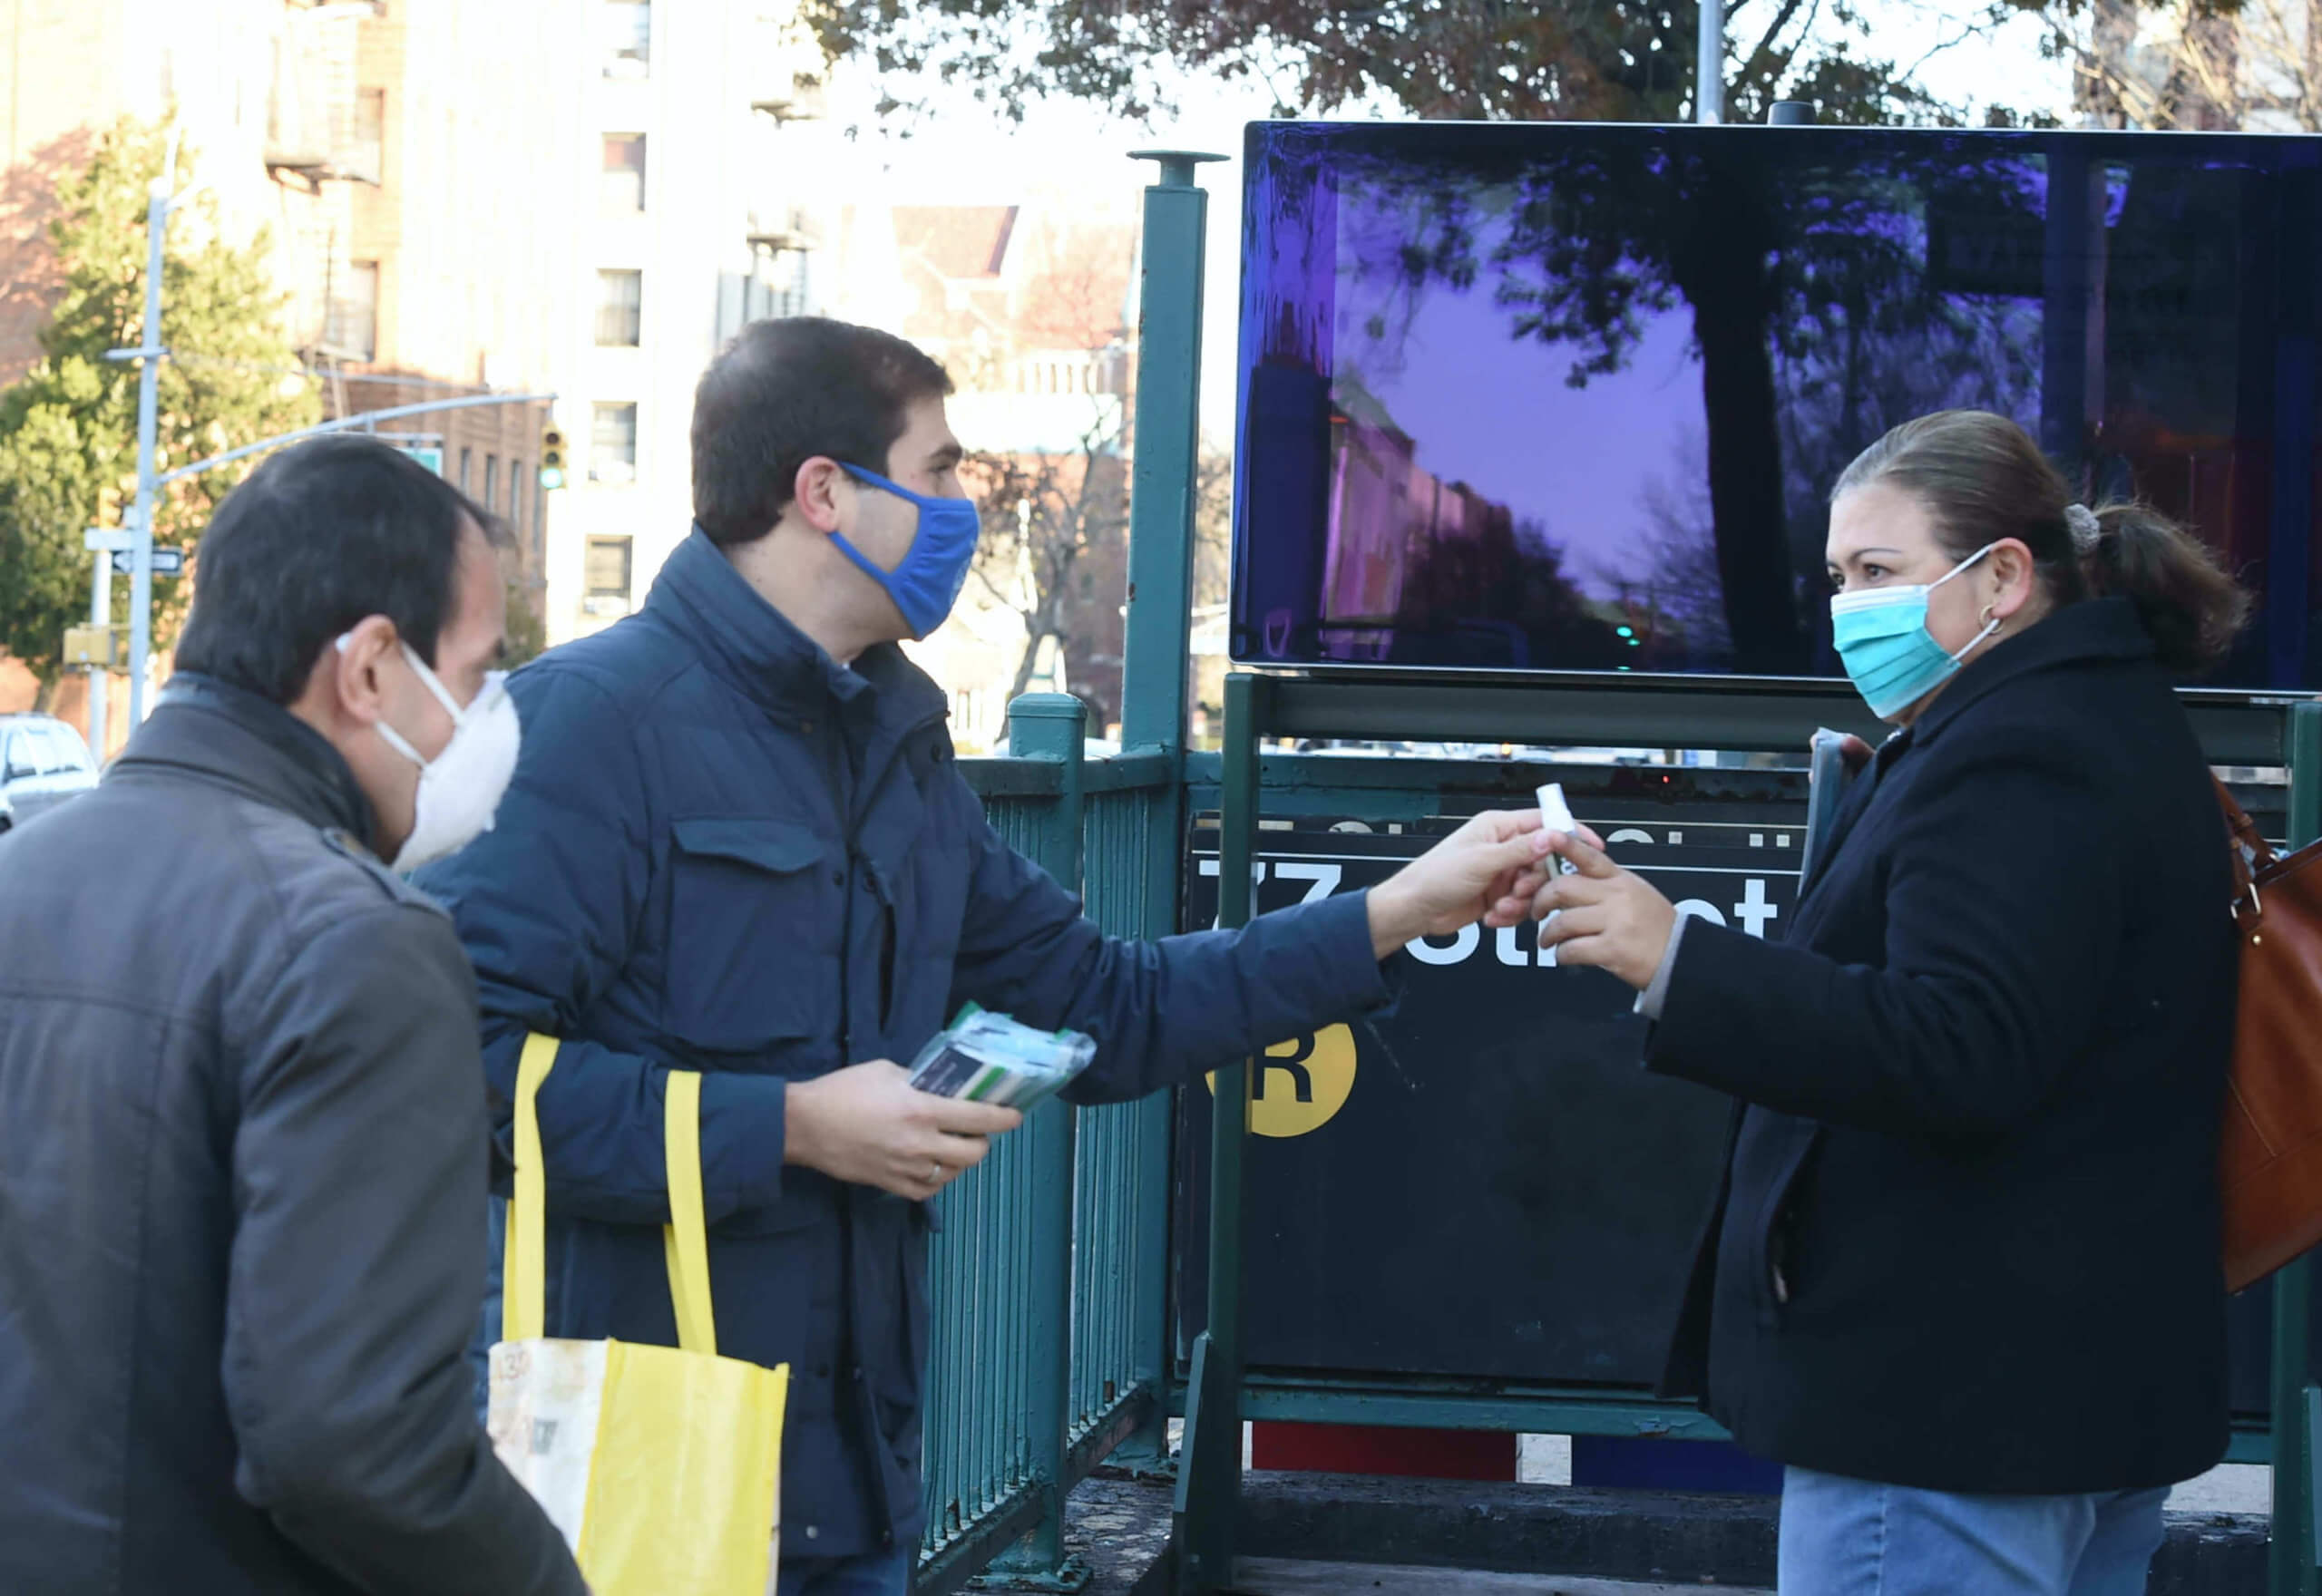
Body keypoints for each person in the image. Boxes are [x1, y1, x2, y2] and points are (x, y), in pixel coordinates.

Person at [416, 316, 1555, 1596]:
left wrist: (1400, 907)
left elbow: (1111, 1007)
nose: (966, 504)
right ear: (826, 492)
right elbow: (451, 1077)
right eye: (944, 467)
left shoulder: (895, 742)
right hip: (636, 1481)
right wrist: (790, 1126)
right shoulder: (588, 724)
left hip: (854, 1485)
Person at [1530, 409, 2249, 1595]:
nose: (1848, 608)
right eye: (1836, 577)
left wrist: (1678, 958)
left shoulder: (2019, 750)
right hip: (2054, 1398)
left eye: (1879, 571)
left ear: (2003, 577)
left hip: (1950, 1412)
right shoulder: (2090, 715)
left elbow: (1958, 1047)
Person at [0, 437, 585, 1596]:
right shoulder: (361, 945)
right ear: (370, 668)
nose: (489, 722)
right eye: (476, 675)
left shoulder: (26, 870)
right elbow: (354, 1447)